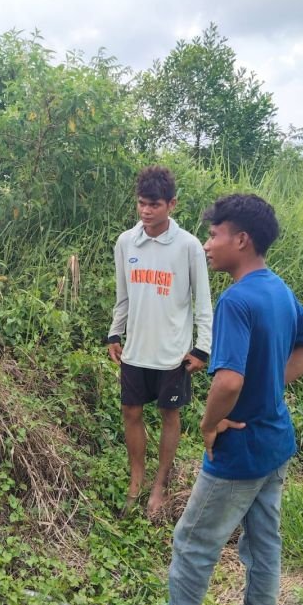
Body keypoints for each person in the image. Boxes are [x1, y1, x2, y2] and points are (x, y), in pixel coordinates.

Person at [168, 193, 303, 605]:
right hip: (276, 442)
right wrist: (271, 385)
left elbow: (228, 383)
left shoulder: (236, 300)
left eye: (213, 234)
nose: (206, 244)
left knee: (192, 545)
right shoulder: (277, 288)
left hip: (239, 449)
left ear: (241, 240)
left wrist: (208, 424)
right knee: (263, 544)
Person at [107, 165, 213, 518]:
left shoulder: (188, 247)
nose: (146, 211)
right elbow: (123, 297)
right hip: (136, 349)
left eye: (154, 204)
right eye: (141, 204)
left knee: (170, 413)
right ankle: (136, 480)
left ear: (172, 204)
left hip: (172, 353)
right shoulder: (126, 242)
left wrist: (202, 347)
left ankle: (159, 486)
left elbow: (203, 302)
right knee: (130, 412)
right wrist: (114, 332)